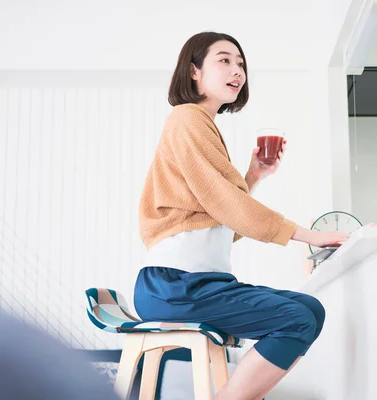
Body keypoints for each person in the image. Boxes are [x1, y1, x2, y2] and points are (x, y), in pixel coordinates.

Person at [134, 31, 349, 400]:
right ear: (194, 71)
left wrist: (252, 177)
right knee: (296, 319)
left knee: (309, 309)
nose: (237, 70)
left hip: (200, 283)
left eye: (241, 64)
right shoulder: (187, 119)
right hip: (175, 286)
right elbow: (226, 204)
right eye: (224, 60)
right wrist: (311, 236)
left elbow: (220, 221)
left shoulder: (202, 124)